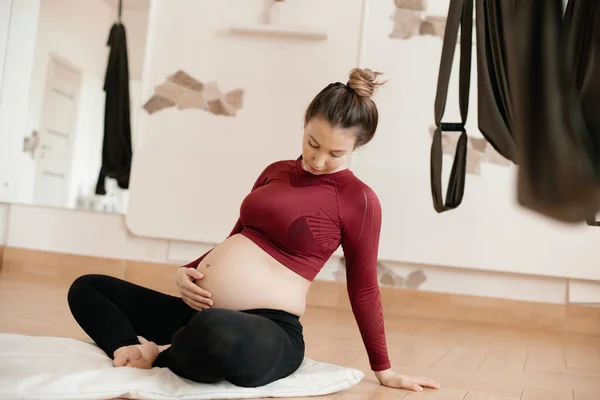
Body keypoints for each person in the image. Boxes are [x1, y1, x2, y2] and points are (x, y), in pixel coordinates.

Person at [67, 68, 441, 393]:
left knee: (217, 333)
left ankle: (161, 356)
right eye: (312, 142)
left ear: (357, 148)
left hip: (267, 330)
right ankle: (127, 350)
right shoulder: (276, 171)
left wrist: (384, 369)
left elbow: (363, 287)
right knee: (88, 287)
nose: (318, 159)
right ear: (305, 122)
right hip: (199, 311)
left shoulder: (359, 200)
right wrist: (189, 272)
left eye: (335, 153)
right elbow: (236, 237)